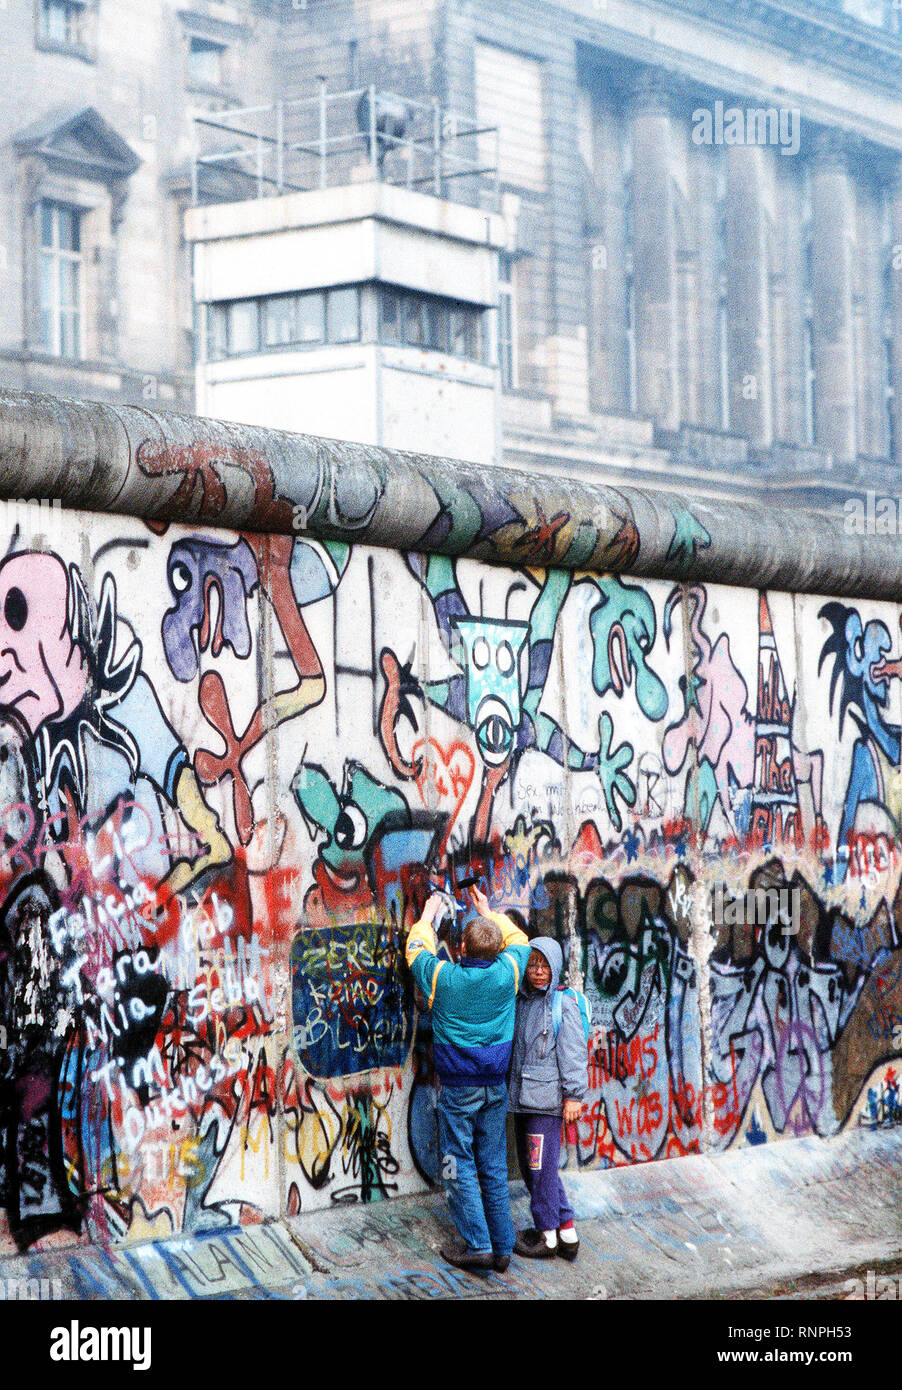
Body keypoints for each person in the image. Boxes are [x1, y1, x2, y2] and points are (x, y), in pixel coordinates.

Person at [405, 885, 530, 1272]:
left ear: (460, 949)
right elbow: (519, 939)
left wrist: (427, 916)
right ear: (496, 952)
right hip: (495, 1085)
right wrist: (488, 911)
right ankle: (503, 1246)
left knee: (457, 1162)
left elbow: (416, 951)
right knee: (492, 1165)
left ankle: (477, 1243)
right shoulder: (508, 972)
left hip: (459, 1089)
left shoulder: (444, 978)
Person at [508, 937, 588, 1260]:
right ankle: (566, 1232)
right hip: (523, 1099)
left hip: (546, 1104)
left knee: (539, 1170)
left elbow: (573, 1054)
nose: (538, 972)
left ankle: (547, 1238)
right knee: (537, 1170)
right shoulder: (523, 1002)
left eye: (544, 965)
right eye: (532, 965)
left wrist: (573, 1096)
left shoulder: (561, 1004)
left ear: (555, 967)